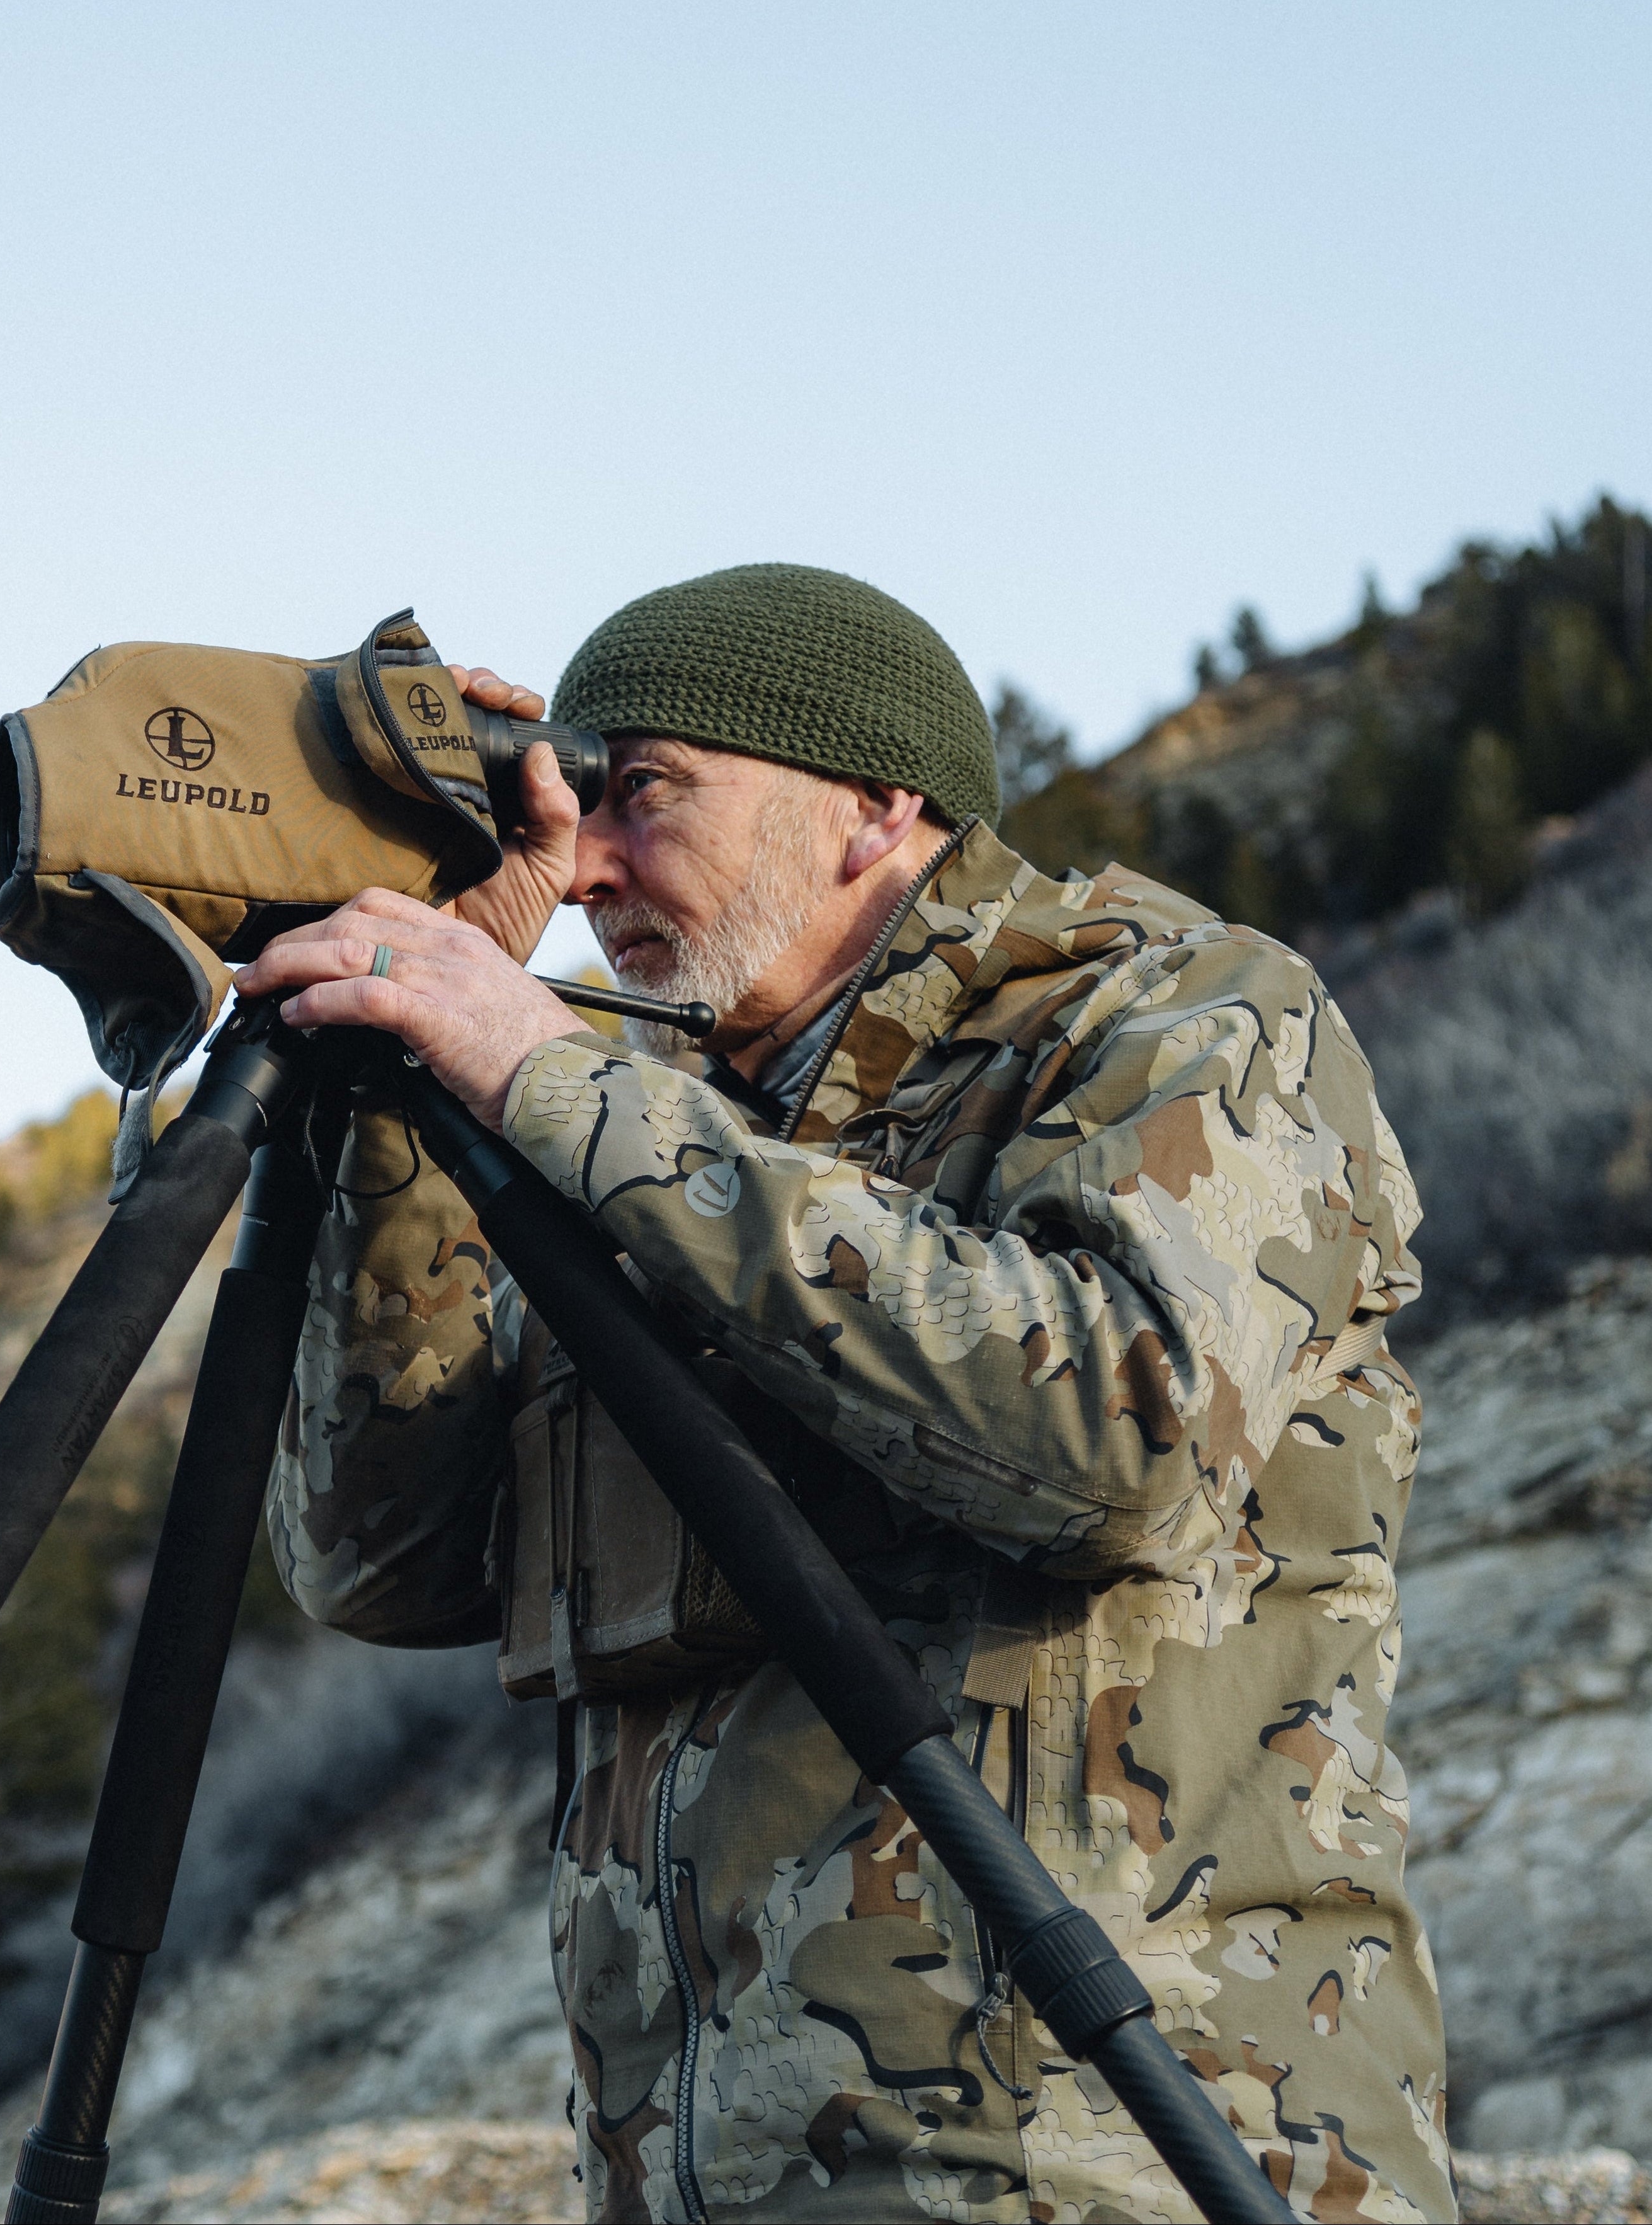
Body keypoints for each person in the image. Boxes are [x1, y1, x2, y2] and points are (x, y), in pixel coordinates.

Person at [237, 563, 1452, 2224]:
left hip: (1099, 2164)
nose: (583, 864)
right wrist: (404, 1113)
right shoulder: (633, 1124)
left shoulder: (1174, 1014)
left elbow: (1122, 1430)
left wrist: (544, 1075)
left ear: (874, 807)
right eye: (566, 805)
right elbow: (381, 1563)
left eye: (639, 794)